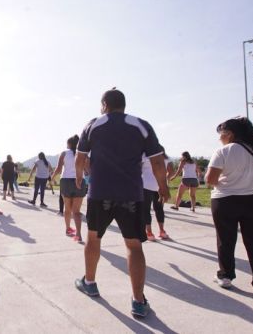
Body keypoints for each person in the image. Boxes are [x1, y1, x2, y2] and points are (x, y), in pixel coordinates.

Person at [74, 88, 169, 318]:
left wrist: (79, 179)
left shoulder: (93, 124)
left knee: (93, 238)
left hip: (100, 193)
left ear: (104, 104)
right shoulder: (141, 125)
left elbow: (80, 158)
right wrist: (163, 187)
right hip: (131, 195)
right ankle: (138, 301)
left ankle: (90, 282)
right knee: (134, 246)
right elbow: (157, 162)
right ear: (123, 105)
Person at [205, 117, 253, 295]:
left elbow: (210, 180)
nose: (220, 138)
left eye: (221, 134)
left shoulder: (224, 152)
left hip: (226, 200)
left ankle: (226, 275)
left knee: (226, 239)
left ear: (230, 134)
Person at [51, 135, 87, 241]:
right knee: (76, 211)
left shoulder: (64, 153)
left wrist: (51, 179)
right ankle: (79, 235)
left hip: (66, 181)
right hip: (79, 181)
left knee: (67, 208)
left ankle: (68, 229)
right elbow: (88, 168)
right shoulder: (83, 154)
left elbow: (58, 169)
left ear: (69, 144)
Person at [142, 150, 174, 241]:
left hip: (146, 185)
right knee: (159, 209)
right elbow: (171, 171)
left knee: (146, 210)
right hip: (160, 186)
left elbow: (138, 169)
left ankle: (149, 233)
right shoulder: (166, 157)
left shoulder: (145, 155)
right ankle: (162, 231)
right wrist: (165, 179)